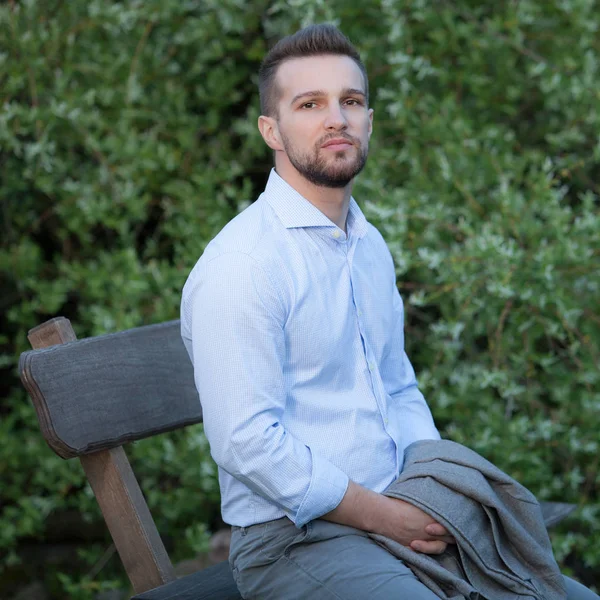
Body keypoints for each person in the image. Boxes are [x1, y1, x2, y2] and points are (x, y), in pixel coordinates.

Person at [181, 24, 598, 600]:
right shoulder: (246, 262)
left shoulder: (366, 244)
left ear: (369, 122)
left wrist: (426, 488)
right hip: (294, 538)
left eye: (350, 102)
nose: (337, 119)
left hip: (398, 504)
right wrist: (381, 515)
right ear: (270, 130)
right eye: (310, 104)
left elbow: (397, 387)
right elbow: (246, 441)